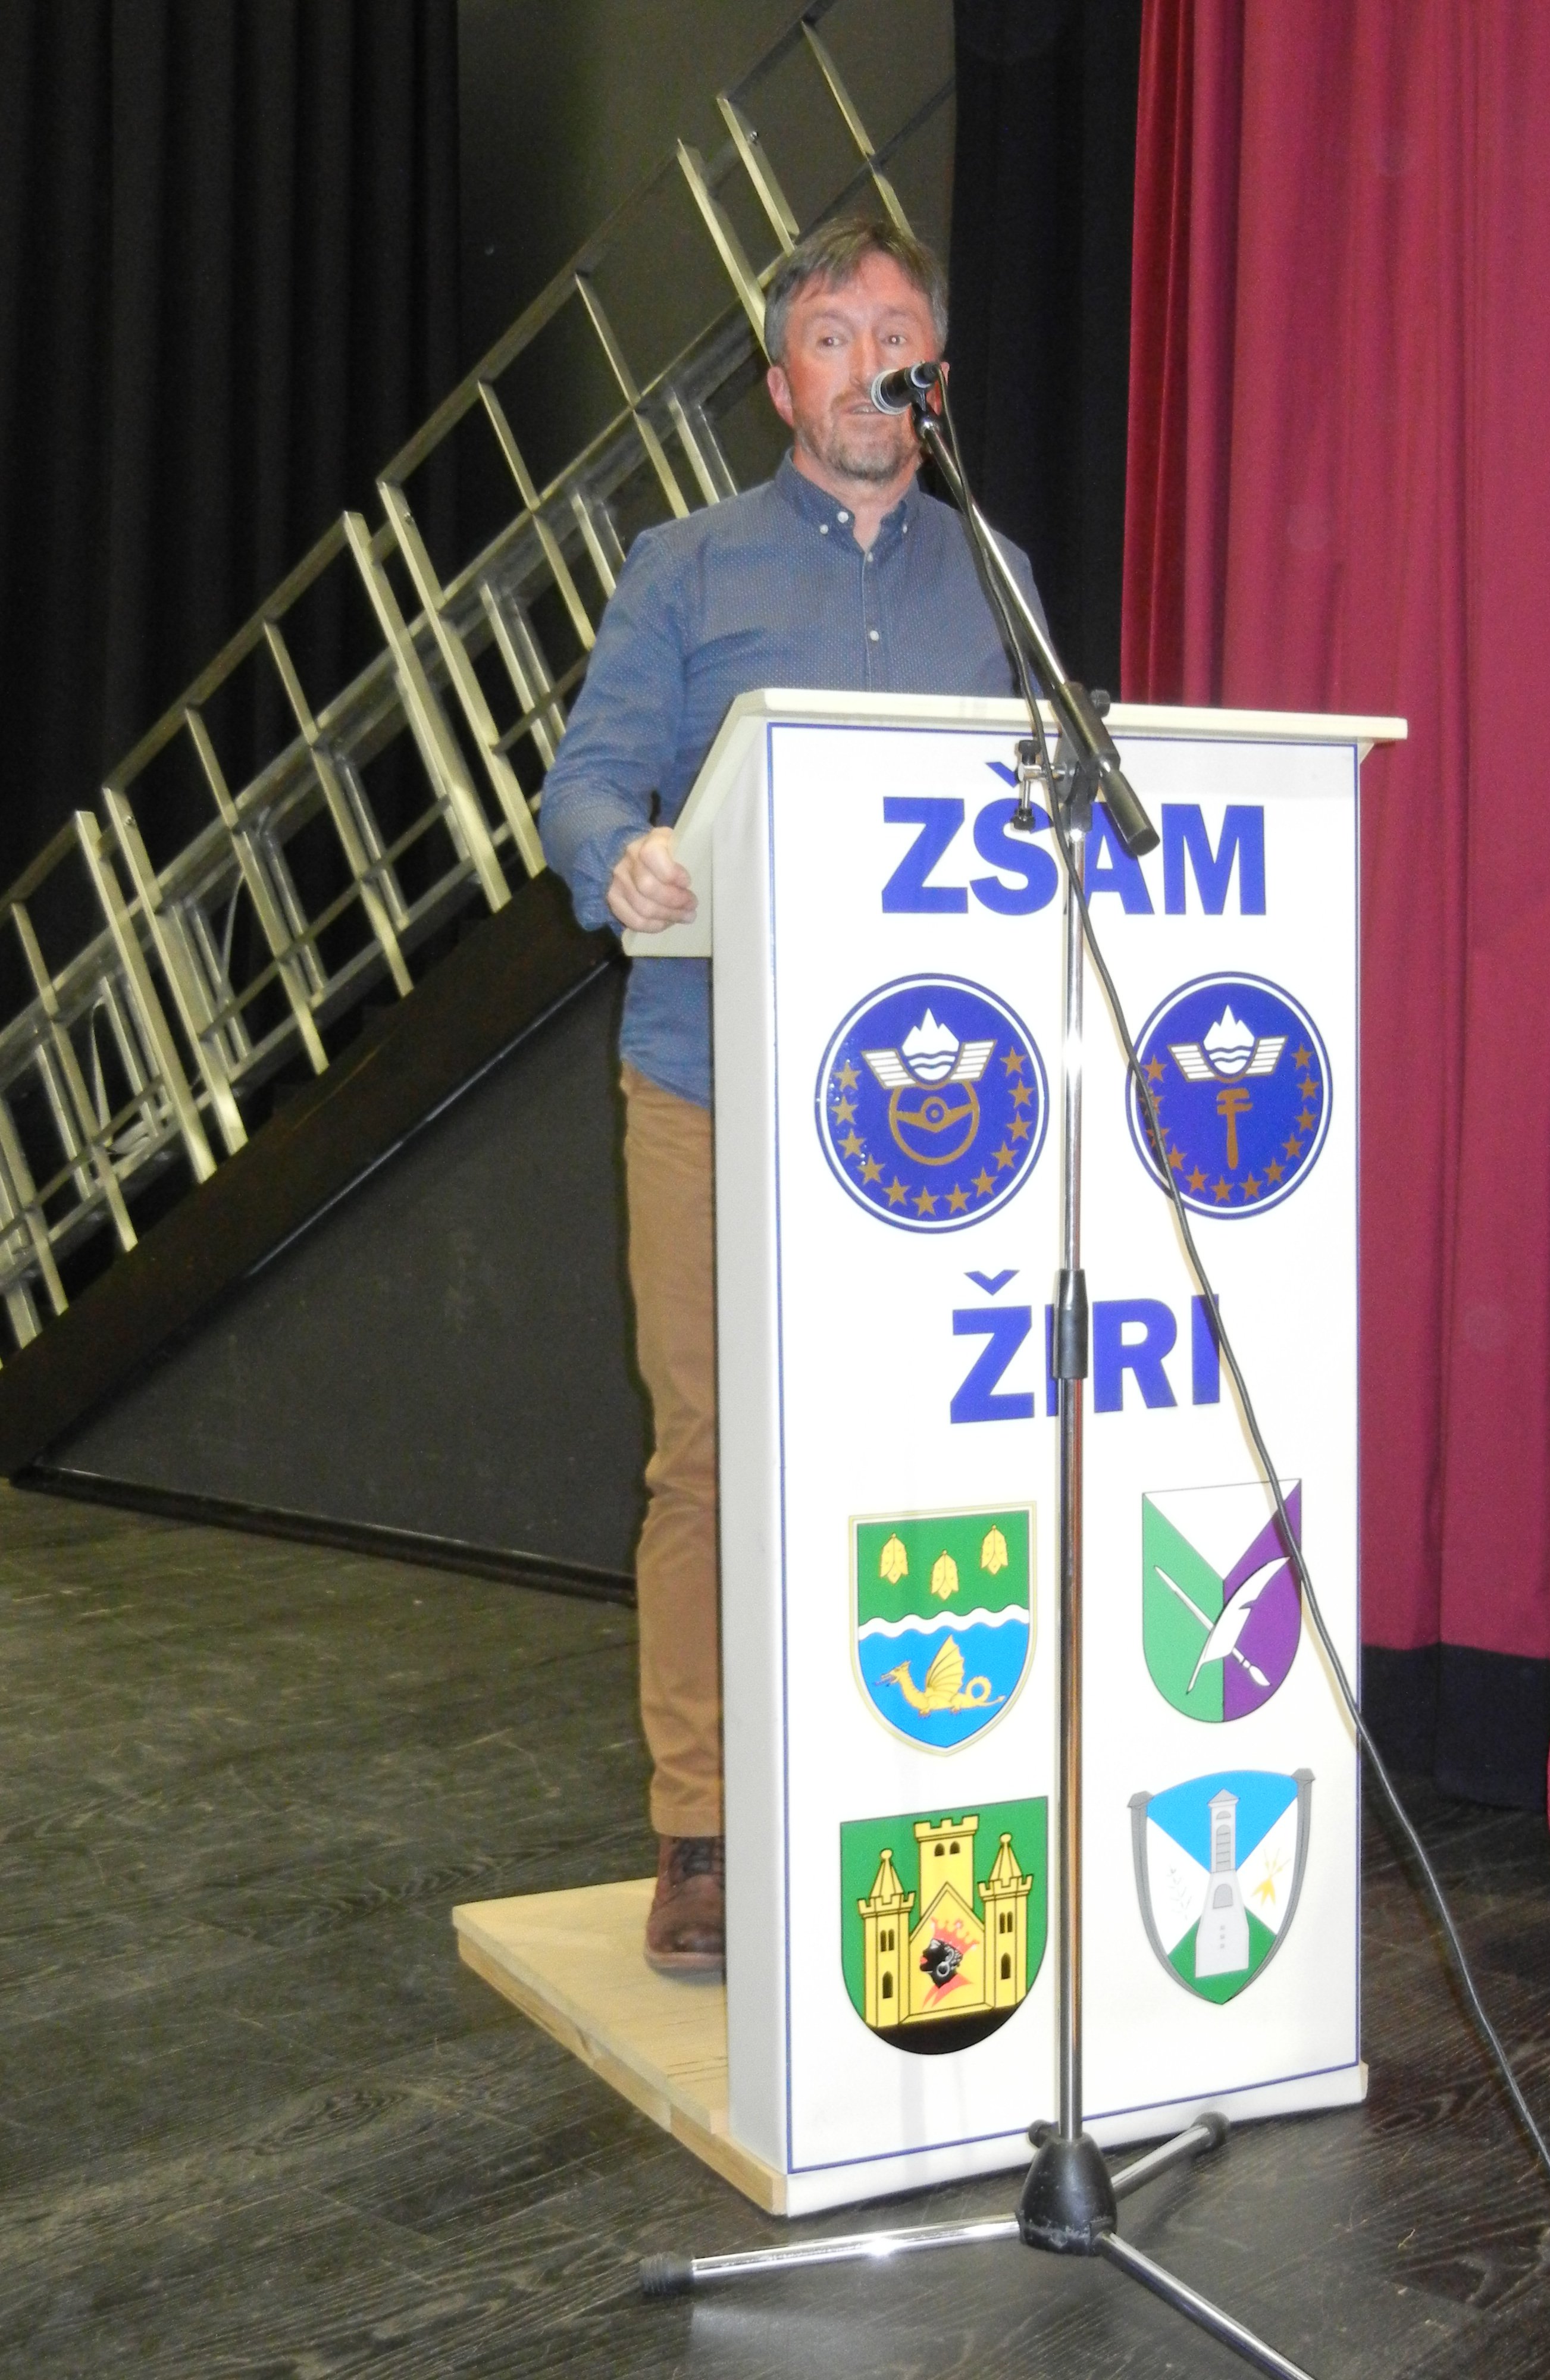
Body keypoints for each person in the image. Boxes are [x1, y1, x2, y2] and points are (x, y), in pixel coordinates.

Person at [537, 216, 1043, 1974]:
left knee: (912, 1452)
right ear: (781, 383)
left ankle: (906, 1779)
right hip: (715, 1086)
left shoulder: (1000, 578)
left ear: (934, 374)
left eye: (898, 335)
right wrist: (623, 858)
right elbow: (587, 779)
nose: (870, 366)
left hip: (931, 1120)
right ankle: (702, 1827)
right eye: (835, 337)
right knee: (709, 1455)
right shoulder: (685, 567)